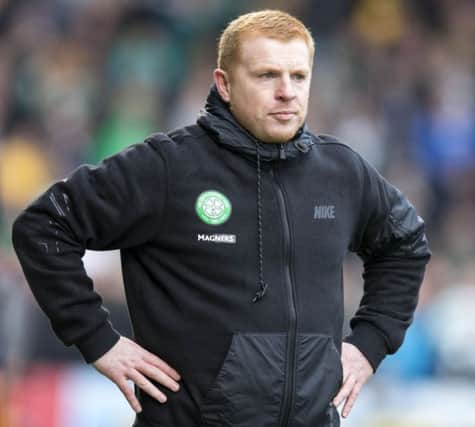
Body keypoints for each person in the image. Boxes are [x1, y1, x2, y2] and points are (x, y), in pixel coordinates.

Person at [12, 9, 430, 427]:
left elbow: (405, 245)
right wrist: (98, 340)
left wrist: (370, 342)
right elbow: (43, 227)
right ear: (224, 84)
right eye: (267, 75)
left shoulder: (340, 172)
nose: (287, 91)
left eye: (298, 76)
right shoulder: (168, 168)